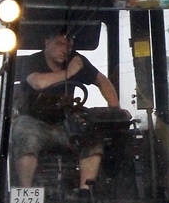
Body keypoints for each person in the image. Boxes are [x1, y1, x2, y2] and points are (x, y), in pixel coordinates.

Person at [11, 28, 120, 193]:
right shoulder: (32, 61)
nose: (65, 49)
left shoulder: (76, 60)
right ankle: (26, 193)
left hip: (65, 123)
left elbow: (102, 81)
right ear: (47, 43)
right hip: (34, 121)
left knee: (91, 134)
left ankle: (85, 191)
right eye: (59, 44)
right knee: (25, 135)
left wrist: (115, 110)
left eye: (68, 45)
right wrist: (69, 72)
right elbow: (38, 83)